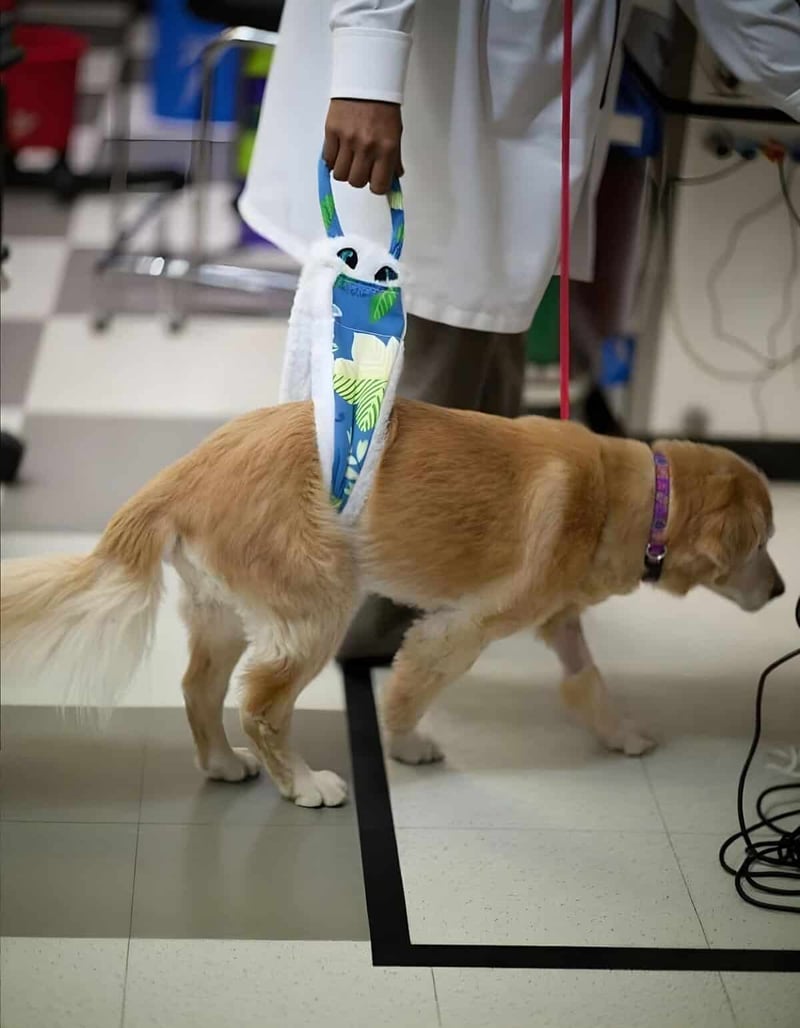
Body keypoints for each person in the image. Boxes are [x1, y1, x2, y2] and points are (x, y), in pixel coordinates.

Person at [239, 0, 800, 661]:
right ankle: (355, 628)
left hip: (520, 112)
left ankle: (453, 603)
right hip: (436, 101)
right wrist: (367, 69)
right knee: (422, 399)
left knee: (487, 409)